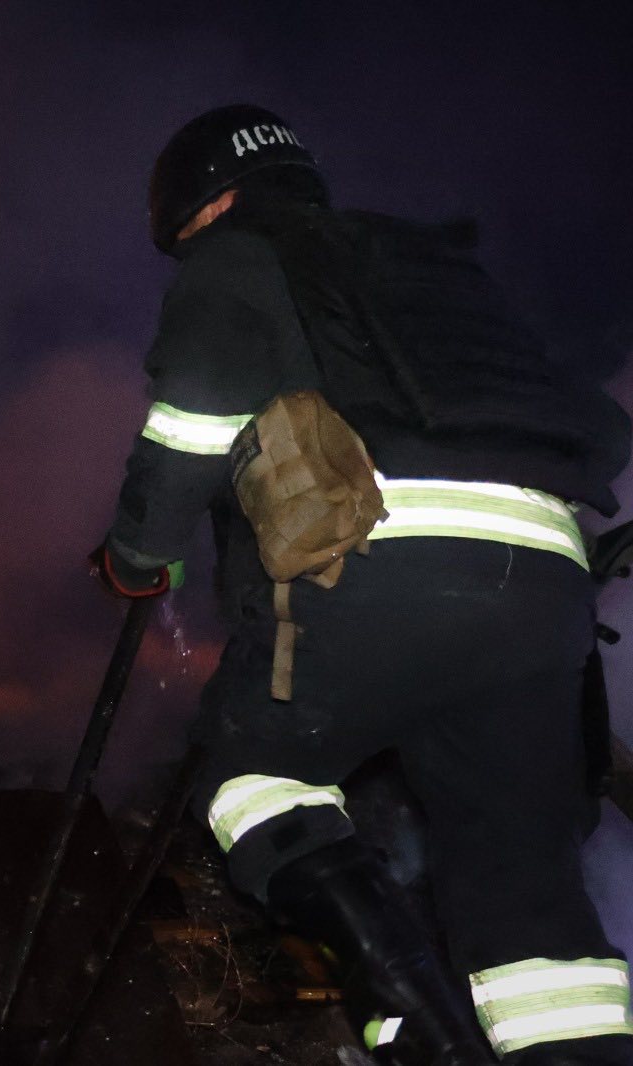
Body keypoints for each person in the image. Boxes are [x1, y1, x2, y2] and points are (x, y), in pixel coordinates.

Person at [96, 104, 633, 1065]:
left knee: (255, 778)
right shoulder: (434, 276)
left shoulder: (241, 254)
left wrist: (137, 560)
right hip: (546, 585)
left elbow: (188, 434)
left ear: (210, 204)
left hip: (378, 561)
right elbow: (594, 421)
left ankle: (415, 1035)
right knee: (522, 881)